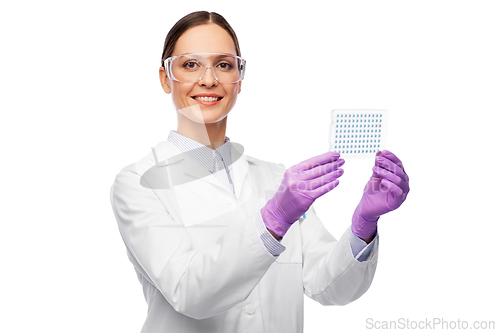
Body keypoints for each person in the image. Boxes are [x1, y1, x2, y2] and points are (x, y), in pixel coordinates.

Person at [109, 11, 410, 333]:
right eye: (190, 64)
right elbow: (190, 293)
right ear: (166, 78)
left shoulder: (275, 179)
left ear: (239, 78)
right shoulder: (138, 184)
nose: (208, 79)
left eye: (224, 65)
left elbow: (328, 287)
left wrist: (364, 223)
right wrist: (274, 219)